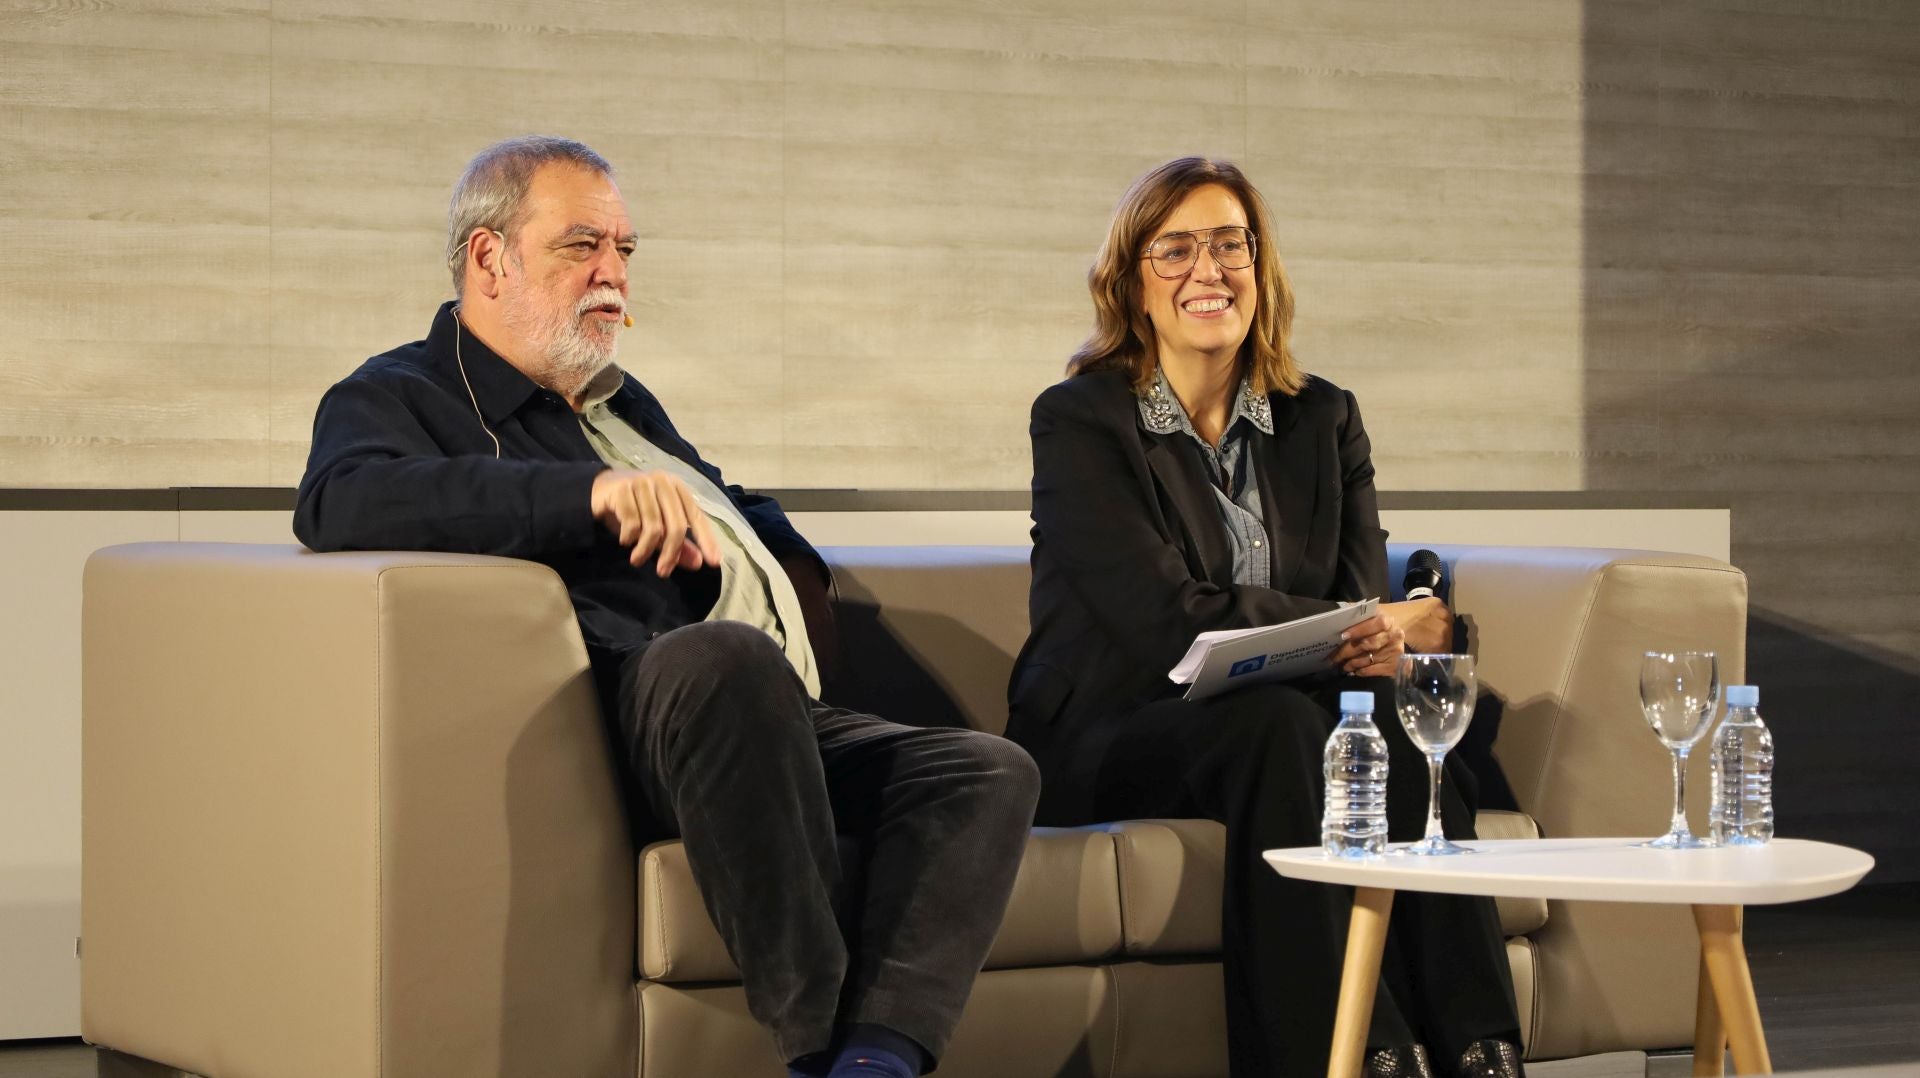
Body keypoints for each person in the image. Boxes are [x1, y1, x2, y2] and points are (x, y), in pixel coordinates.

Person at [294, 136, 1039, 1078]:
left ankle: (876, 1064)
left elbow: (729, 502)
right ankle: (809, 1050)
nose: (614, 277)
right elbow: (340, 501)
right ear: (490, 258)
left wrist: (783, 570)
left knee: (986, 772)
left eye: (625, 251)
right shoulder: (400, 392)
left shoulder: (618, 402)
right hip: (622, 704)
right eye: (581, 248)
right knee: (720, 656)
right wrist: (587, 500)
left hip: (767, 709)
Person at [1005, 157, 1525, 1078]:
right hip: (1115, 730)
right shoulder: (1080, 421)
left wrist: (1387, 631)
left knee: (1402, 739)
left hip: (1293, 721)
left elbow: (1362, 620)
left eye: (1230, 245)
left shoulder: (1325, 419)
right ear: (1131, 280)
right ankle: (1352, 1051)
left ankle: (1486, 1049)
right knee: (1280, 726)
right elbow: (1168, 621)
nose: (1208, 271)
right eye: (1175, 249)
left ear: (1261, 268)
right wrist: (1364, 624)